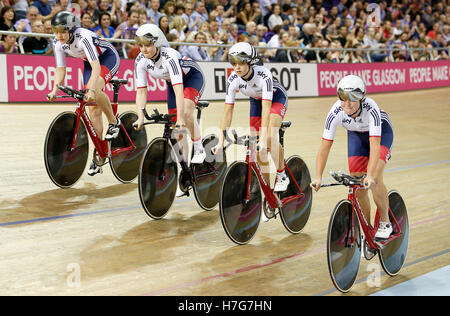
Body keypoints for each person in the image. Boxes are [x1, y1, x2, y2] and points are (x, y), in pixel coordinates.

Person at [310, 75, 394, 240]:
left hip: (381, 134)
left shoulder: (372, 109)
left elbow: (375, 145)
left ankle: (385, 221)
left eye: (353, 98)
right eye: (343, 97)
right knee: (357, 181)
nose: (347, 103)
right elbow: (324, 147)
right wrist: (318, 176)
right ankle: (367, 230)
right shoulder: (335, 112)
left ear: (362, 97)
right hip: (356, 135)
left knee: (375, 176)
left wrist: (369, 175)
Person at [46, 11, 121, 176]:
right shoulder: (58, 42)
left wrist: (92, 89)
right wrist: (54, 89)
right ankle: (100, 152)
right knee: (93, 109)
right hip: (89, 62)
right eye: (56, 31)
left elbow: (96, 68)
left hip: (107, 58)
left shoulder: (84, 38)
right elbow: (60, 70)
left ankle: (114, 122)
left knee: (94, 89)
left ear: (72, 30)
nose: (59, 35)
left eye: (63, 31)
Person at [213, 42, 290, 193]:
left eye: (241, 62)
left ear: (250, 62)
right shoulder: (232, 79)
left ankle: (281, 175)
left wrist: (263, 139)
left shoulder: (264, 75)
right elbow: (227, 111)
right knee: (258, 150)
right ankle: (268, 192)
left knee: (268, 137)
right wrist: (221, 140)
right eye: (233, 63)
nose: (236, 67)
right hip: (256, 101)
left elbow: (266, 109)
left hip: (275, 99)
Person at [133, 23, 207, 171]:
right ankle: (184, 169)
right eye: (141, 45)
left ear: (157, 42)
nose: (144, 49)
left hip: (192, 78)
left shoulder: (170, 56)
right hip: (172, 83)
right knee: (176, 130)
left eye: (148, 45)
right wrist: (140, 117)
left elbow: (179, 90)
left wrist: (180, 118)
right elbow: (141, 91)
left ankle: (198, 147)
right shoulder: (140, 60)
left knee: (184, 114)